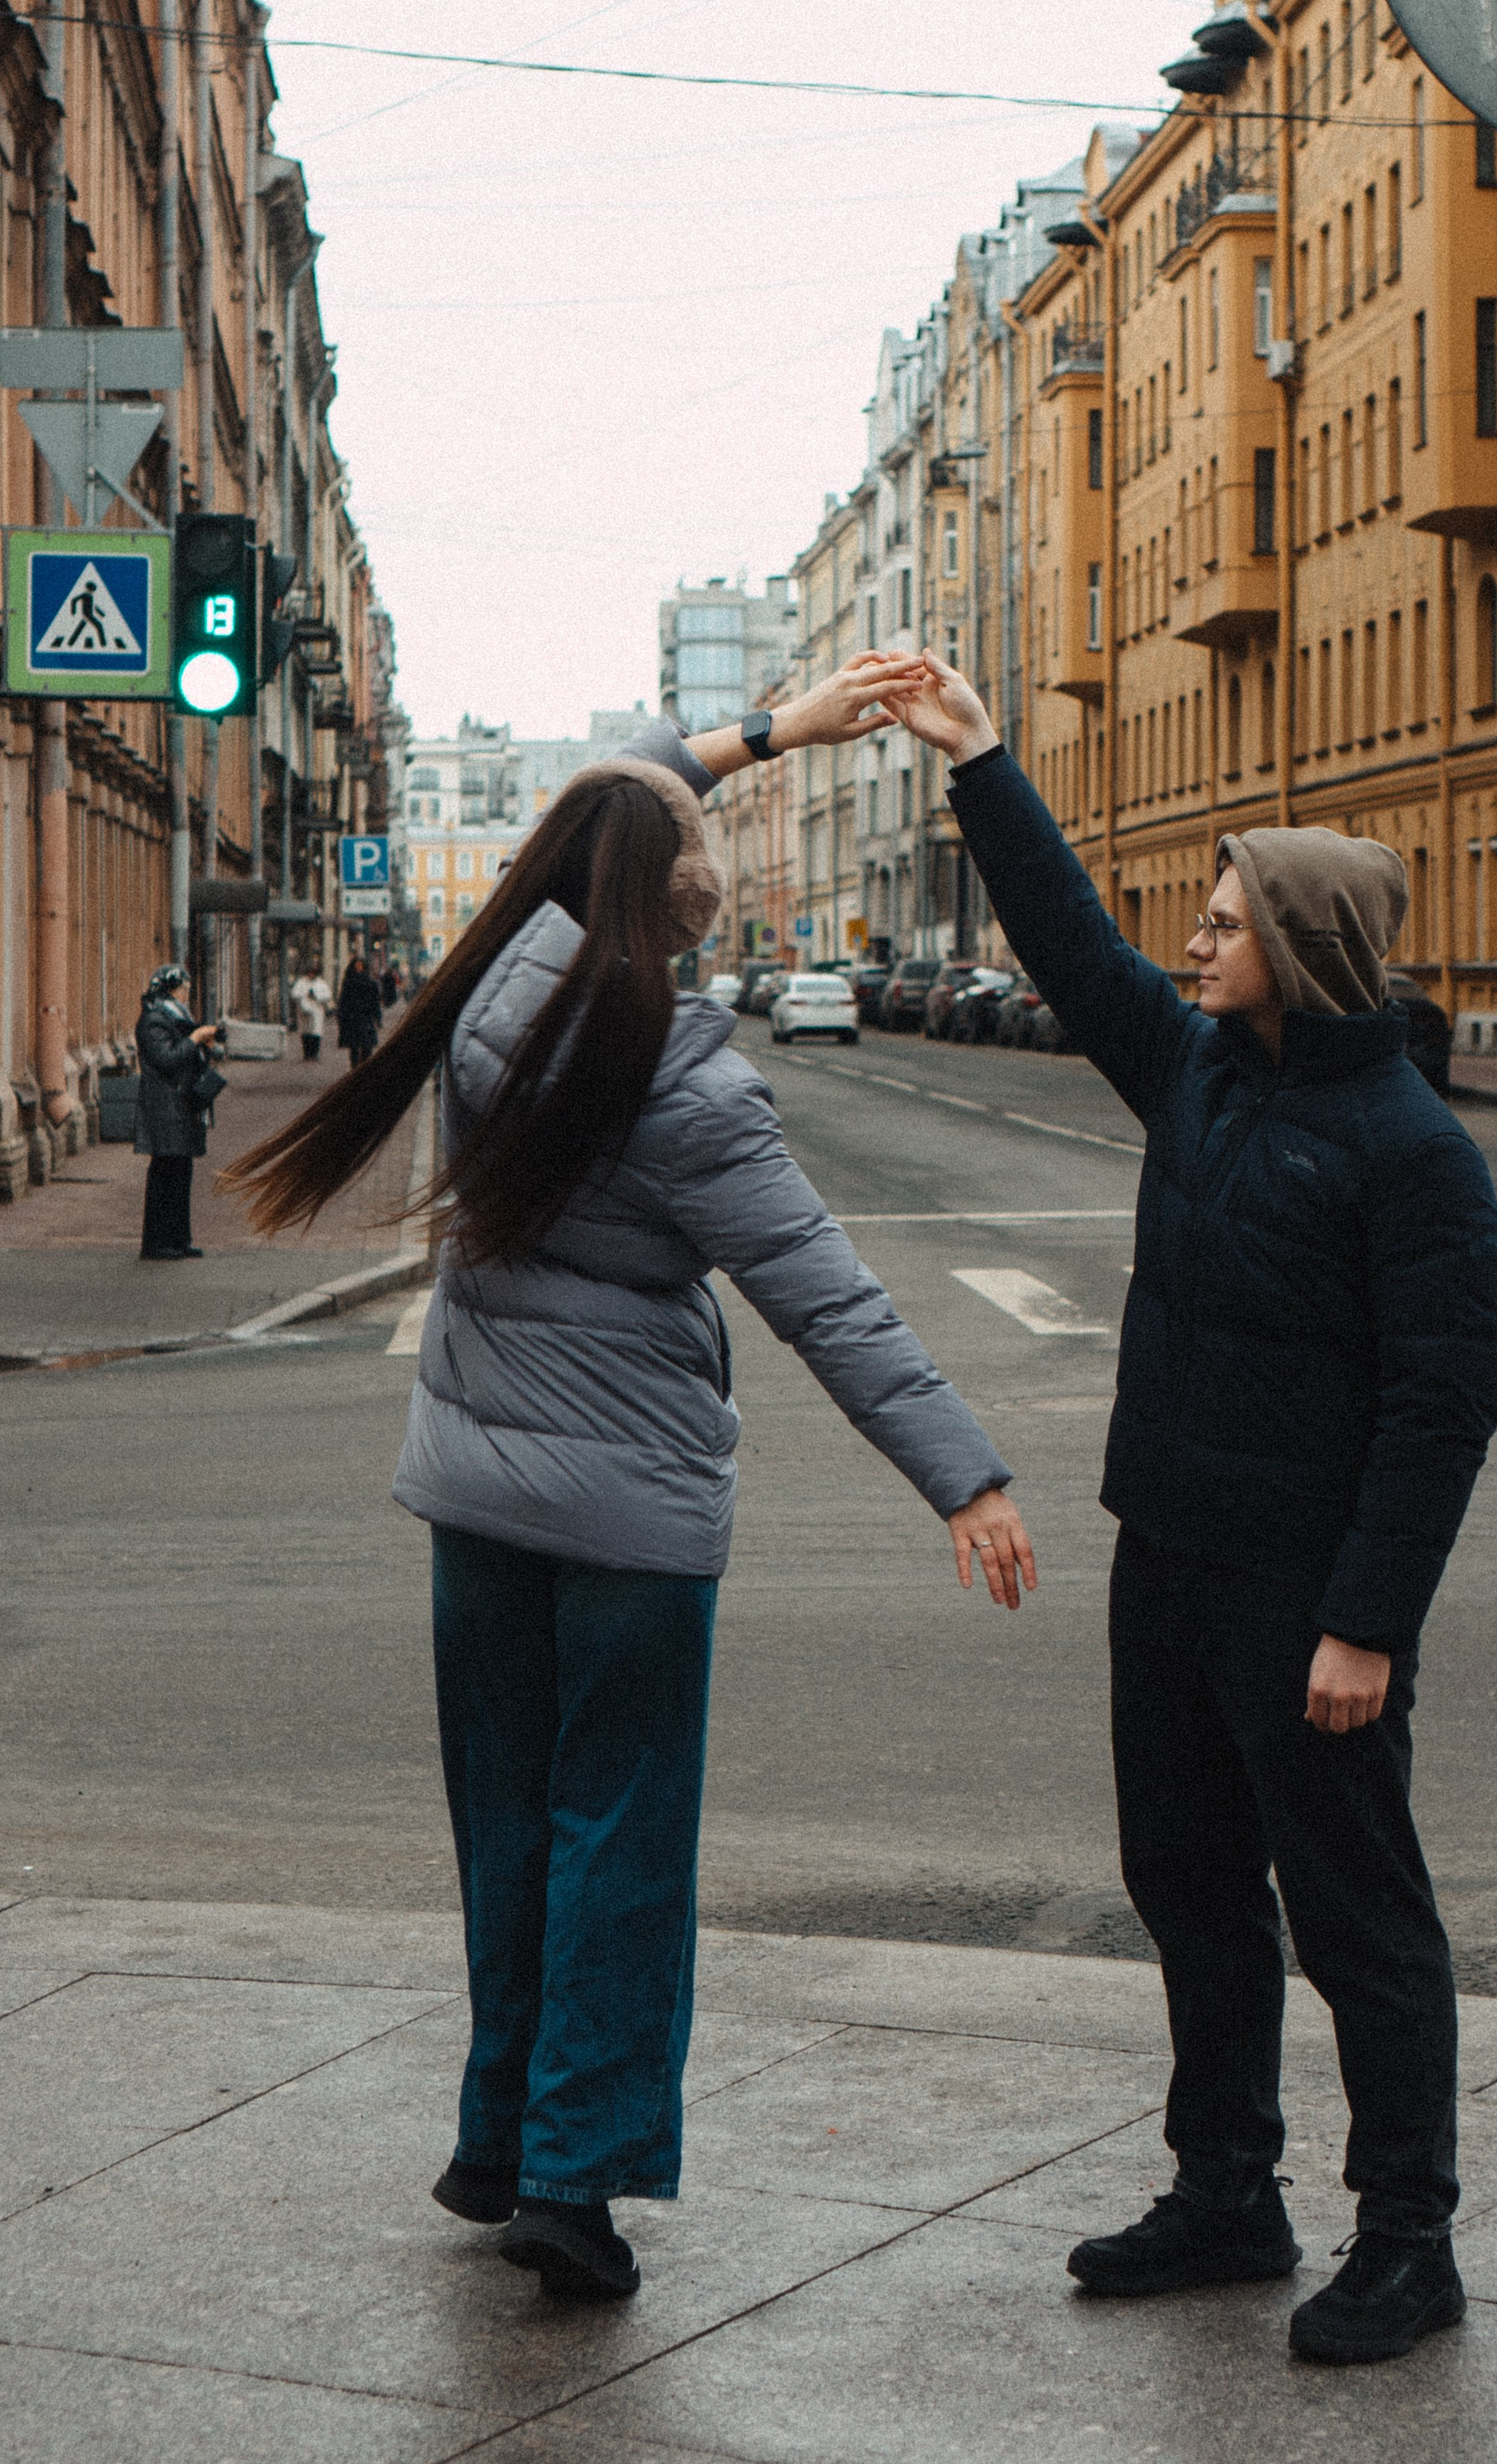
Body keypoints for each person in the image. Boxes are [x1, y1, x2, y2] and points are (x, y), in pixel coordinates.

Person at [223, 658, 1036, 2309]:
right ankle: (573, 2184)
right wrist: (964, 1474)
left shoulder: (502, 979)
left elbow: (610, 804)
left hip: (475, 1501)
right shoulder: (683, 1074)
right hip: (630, 1533)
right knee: (619, 1845)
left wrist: (764, 733)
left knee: (509, 1830)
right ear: (683, 918)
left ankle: (496, 2139)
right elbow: (824, 1296)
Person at [887, 650, 1497, 2370]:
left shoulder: (1408, 1153)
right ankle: (1226, 2190)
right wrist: (980, 763)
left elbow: (1439, 1408)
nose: (1194, 939)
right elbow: (1074, 955)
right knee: (1184, 1883)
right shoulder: (1204, 1081)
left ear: (1295, 948)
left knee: (1357, 1919)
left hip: (1304, 1595)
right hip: (1162, 1556)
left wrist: (1367, 1620)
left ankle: (1408, 2240)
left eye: (1223, 920)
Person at [134, 966, 221, 1262]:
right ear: (170, 990)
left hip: (181, 1105)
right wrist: (195, 1039)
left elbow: (186, 1056)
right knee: (165, 1174)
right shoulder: (154, 1020)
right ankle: (157, 1244)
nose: (187, 993)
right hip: (164, 1107)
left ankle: (180, 1240)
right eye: (184, 988)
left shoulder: (176, 1017)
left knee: (182, 1173)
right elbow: (166, 1059)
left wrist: (204, 1045)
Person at [336, 952, 384, 1067]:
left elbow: (375, 1002)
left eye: (361, 966)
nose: (358, 968)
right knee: (353, 1046)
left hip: (365, 1016)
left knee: (367, 1045)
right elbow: (343, 999)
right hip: (351, 1017)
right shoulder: (348, 982)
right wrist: (341, 1014)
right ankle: (355, 1067)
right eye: (356, 965)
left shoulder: (370, 983)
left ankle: (364, 1066)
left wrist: (378, 1017)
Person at [292, 964, 333, 1063]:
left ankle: (314, 1054)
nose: (311, 975)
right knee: (305, 1032)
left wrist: (317, 996)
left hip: (316, 1010)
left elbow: (327, 995)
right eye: (309, 973)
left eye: (313, 973)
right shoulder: (301, 982)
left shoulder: (321, 983)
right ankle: (307, 1054)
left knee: (316, 1032)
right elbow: (294, 993)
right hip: (304, 1011)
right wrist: (303, 996)